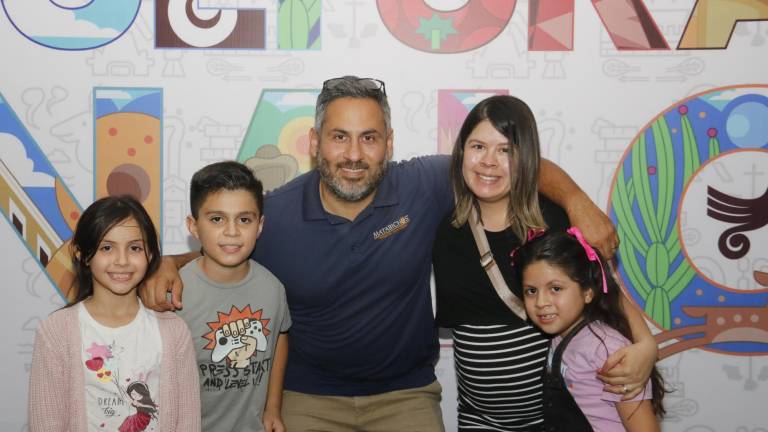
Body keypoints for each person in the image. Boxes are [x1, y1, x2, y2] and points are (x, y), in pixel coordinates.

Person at [141, 76, 620, 431]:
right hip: (307, 400)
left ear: (388, 144)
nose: (354, 154)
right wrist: (168, 263)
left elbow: (514, 165)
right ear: (314, 143)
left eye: (369, 138)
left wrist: (577, 200)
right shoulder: (278, 214)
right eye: (339, 137)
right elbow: (225, 246)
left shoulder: (423, 184)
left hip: (405, 397)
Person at [432, 95, 658, 431]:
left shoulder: (556, 222)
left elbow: (608, 293)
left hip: (553, 420)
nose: (489, 161)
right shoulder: (445, 230)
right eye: (478, 146)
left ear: (526, 158)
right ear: (462, 151)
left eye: (505, 150)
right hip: (479, 420)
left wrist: (647, 346)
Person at [28, 195, 200, 432]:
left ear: (150, 254)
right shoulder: (57, 332)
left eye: (135, 248)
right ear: (81, 253)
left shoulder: (174, 332)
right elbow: (46, 423)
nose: (122, 261)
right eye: (107, 248)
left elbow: (188, 422)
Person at [178, 161, 291, 432]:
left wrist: (272, 408)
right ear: (193, 226)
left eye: (244, 219)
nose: (232, 231)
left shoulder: (273, 288)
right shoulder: (175, 294)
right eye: (217, 219)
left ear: (260, 225)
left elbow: (280, 338)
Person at [516, 228, 666, 431]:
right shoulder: (559, 336)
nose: (541, 302)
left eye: (556, 289)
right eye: (531, 291)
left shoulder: (608, 350)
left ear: (588, 292)